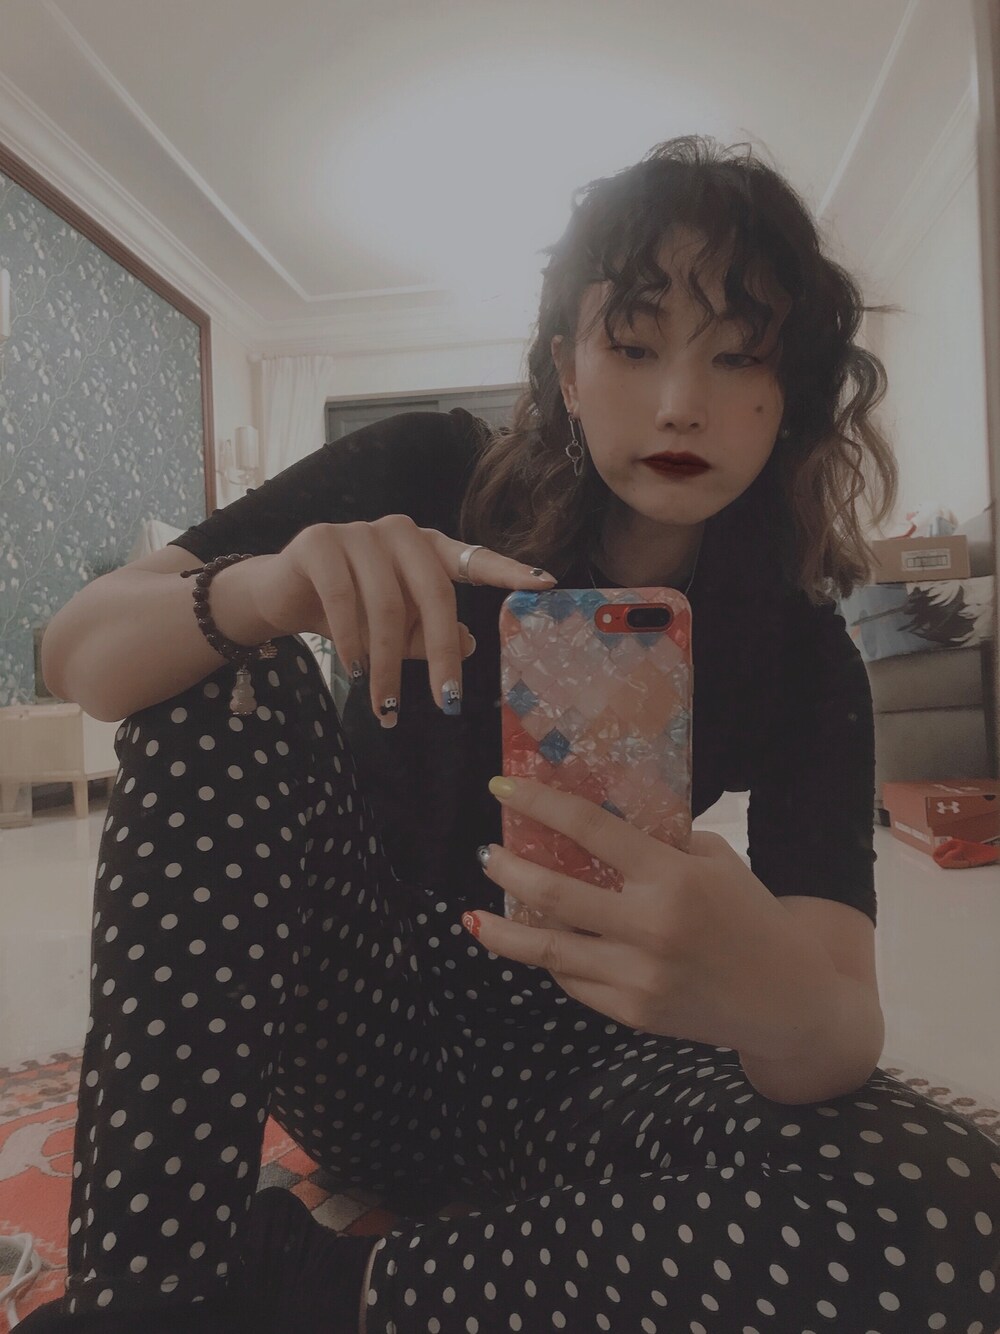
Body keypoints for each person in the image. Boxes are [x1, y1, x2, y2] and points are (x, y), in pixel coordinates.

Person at [27, 136, 1000, 1334]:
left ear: (786, 392)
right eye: (632, 345)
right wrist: (262, 591)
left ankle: (306, 1293)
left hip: (601, 1059)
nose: (680, 402)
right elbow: (79, 651)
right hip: (362, 1015)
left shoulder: (800, 649)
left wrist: (769, 994)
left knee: (952, 1208)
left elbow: (841, 1019)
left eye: (737, 355)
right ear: (566, 371)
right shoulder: (428, 467)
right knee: (221, 670)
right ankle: (145, 1297)